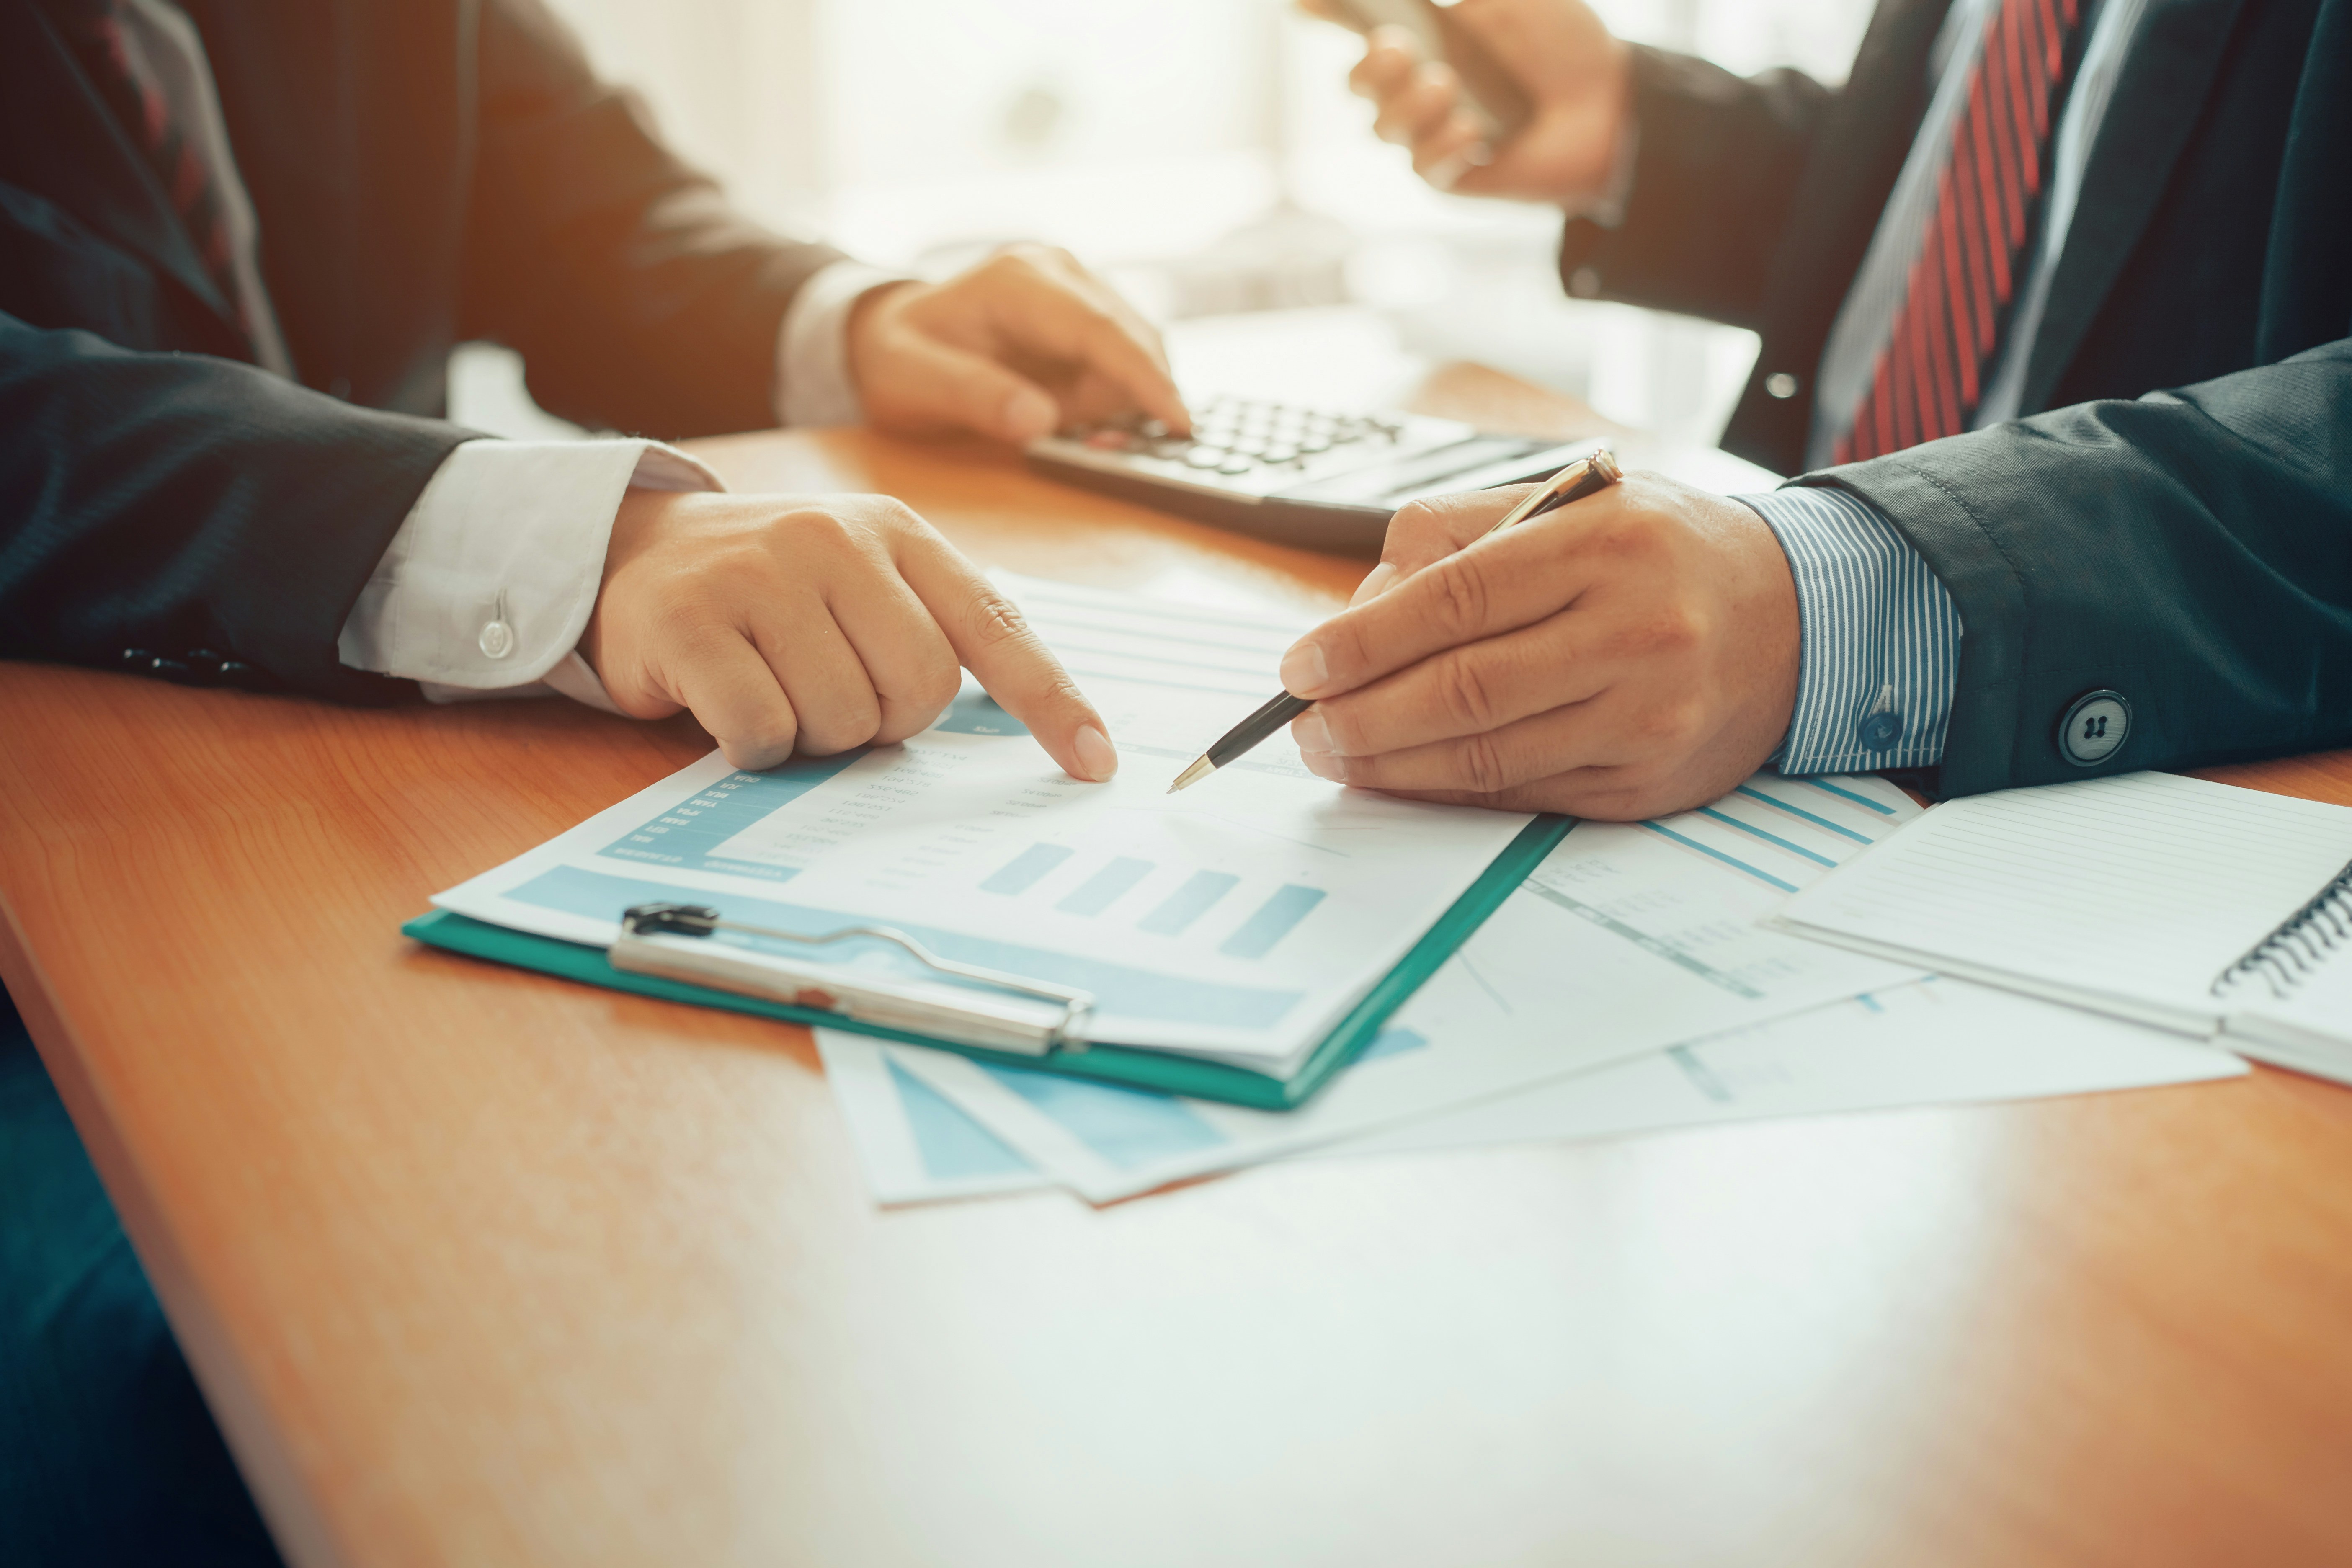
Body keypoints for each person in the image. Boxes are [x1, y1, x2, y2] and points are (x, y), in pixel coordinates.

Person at [1, 0, 1188, 1558]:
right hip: (54, 946)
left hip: (337, 828)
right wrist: (577, 544)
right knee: (297, 1358)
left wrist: (849, 320)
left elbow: (572, 202)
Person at [1287, 0, 2351, 821]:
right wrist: (1635, 131)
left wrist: (1830, 600)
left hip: (2156, 781)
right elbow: (1992, 188)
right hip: (1793, 775)